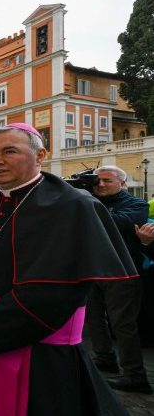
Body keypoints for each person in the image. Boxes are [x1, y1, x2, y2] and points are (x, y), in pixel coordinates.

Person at [0, 123, 133, 415]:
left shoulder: (73, 206)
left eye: (9, 151)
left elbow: (57, 292)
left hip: (39, 350)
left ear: (41, 155)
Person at [85, 165, 151, 393]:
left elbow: (114, 223)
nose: (101, 185)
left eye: (107, 180)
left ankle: (135, 375)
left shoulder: (137, 204)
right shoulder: (91, 202)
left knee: (123, 325)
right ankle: (105, 359)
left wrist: (85, 208)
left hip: (122, 272)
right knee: (94, 319)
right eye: (97, 181)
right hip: (93, 269)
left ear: (122, 184)